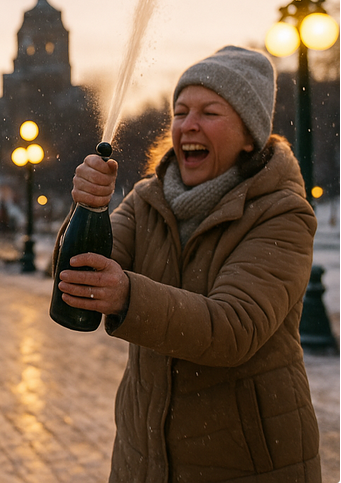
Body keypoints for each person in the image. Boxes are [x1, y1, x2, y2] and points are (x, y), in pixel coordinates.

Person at [56, 46, 321, 482]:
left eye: (210, 112)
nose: (188, 124)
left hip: (249, 464)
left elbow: (234, 328)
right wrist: (89, 208)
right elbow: (76, 274)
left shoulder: (282, 213)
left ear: (250, 135)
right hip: (143, 461)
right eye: (180, 111)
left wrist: (127, 294)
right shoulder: (145, 200)